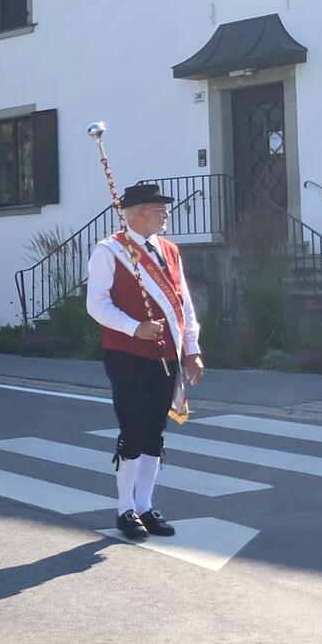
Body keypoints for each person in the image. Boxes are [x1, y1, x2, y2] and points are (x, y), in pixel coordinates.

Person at [86, 184, 204, 540]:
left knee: (155, 430)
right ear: (138, 214)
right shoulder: (109, 251)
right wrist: (135, 327)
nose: (166, 214)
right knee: (134, 429)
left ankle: (145, 505)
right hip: (127, 354)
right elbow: (96, 305)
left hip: (166, 355)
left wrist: (192, 349)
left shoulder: (169, 250)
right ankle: (125, 509)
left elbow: (183, 304)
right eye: (159, 209)